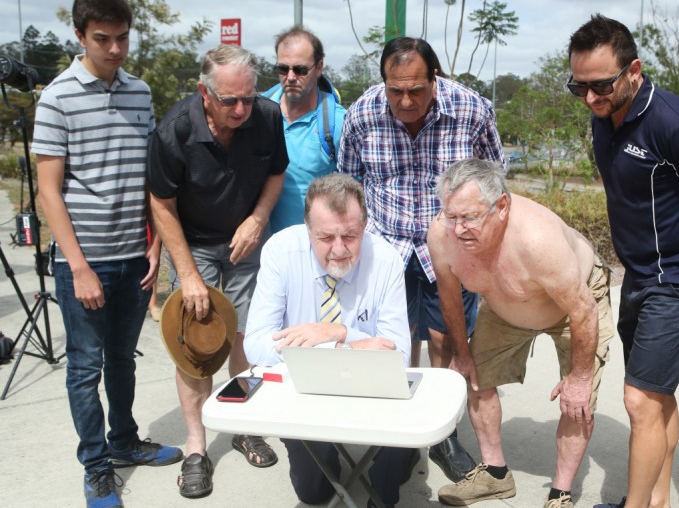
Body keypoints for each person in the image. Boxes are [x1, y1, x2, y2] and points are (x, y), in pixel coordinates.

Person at [567, 15, 679, 508]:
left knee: (639, 399)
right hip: (642, 277)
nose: (589, 99)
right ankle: (658, 500)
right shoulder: (603, 115)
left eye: (600, 85)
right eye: (578, 86)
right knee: (657, 394)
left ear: (634, 71)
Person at [32, 0, 182, 508]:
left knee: (123, 358)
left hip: (133, 257)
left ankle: (124, 442)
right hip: (85, 261)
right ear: (79, 35)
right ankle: (96, 466)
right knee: (83, 366)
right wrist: (78, 266)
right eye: (103, 39)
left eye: (122, 38)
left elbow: (150, 177)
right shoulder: (57, 97)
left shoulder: (140, 93)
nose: (115, 49)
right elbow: (49, 190)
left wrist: (156, 248)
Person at [338, 36, 504, 482]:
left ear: (436, 78)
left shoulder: (471, 110)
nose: (406, 101)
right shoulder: (362, 114)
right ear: (384, 83)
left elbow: (494, 179)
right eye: (396, 90)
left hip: (449, 243)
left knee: (446, 338)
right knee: (394, 339)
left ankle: (442, 436)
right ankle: (399, 431)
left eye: (416, 89)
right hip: (386, 242)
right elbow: (349, 183)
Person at [429, 159, 614, 508]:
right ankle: (495, 475)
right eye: (452, 217)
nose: (459, 229)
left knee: (578, 401)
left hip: (574, 305)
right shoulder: (443, 235)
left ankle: (560, 494)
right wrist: (462, 353)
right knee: (475, 377)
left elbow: (583, 309)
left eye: (470, 217)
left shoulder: (537, 240)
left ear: (501, 206)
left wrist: (580, 377)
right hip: (504, 303)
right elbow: (448, 295)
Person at [147, 44, 288, 498]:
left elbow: (276, 174)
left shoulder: (265, 117)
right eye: (230, 101)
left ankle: (243, 424)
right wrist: (187, 275)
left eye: (248, 97)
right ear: (204, 92)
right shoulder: (174, 131)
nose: (242, 109)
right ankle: (196, 446)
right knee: (196, 343)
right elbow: (161, 205)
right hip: (193, 243)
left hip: (246, 239)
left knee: (248, 333)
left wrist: (258, 218)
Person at [244, 173, 419, 508]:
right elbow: (255, 343)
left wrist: (335, 332)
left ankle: (395, 462)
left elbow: (398, 358)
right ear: (307, 229)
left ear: (365, 227)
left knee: (384, 493)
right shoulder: (281, 251)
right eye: (325, 237)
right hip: (305, 389)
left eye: (350, 236)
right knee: (313, 493)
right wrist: (344, 346)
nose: (339, 249)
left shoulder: (386, 260)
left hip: (373, 389)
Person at [264, 25, 346, 233]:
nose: (290, 77)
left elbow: (354, 190)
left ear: (318, 68)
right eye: (283, 69)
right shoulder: (257, 113)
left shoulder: (338, 122)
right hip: (262, 251)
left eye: (300, 70)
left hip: (315, 247)